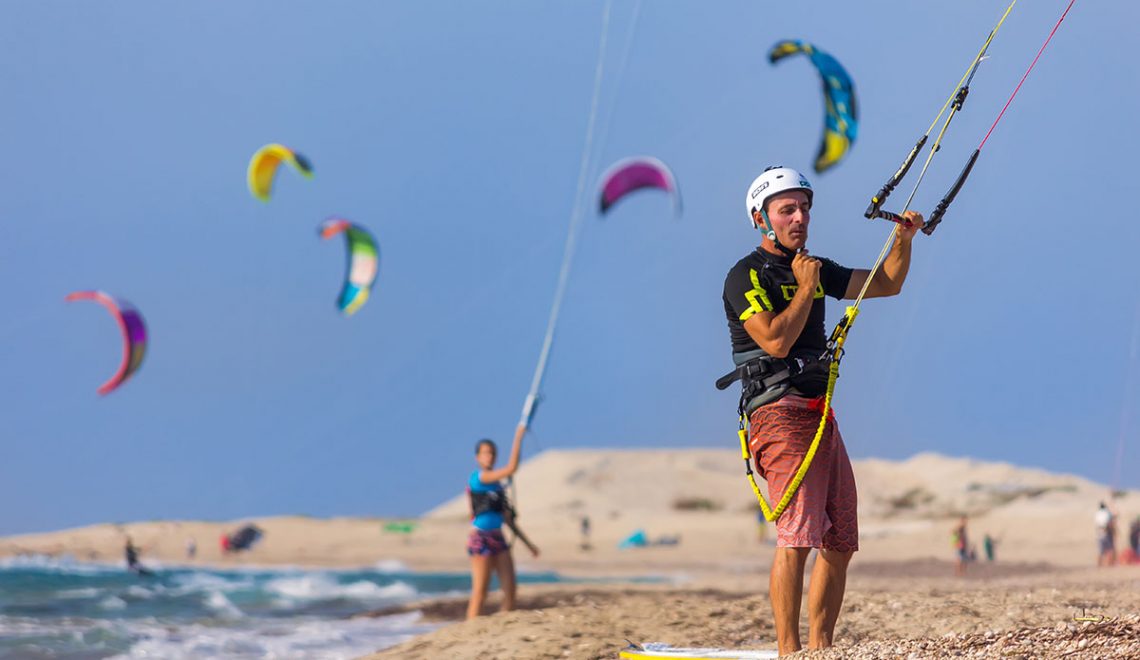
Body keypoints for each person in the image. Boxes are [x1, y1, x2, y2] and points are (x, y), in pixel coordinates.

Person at [720, 166, 921, 655]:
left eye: (805, 207)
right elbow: (774, 338)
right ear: (760, 218)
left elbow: (886, 283)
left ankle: (821, 647)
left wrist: (903, 237)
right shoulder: (745, 274)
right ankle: (790, 650)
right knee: (799, 536)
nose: (800, 217)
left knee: (841, 536)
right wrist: (807, 288)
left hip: (818, 412)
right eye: (787, 209)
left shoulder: (813, 266)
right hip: (776, 413)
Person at [466, 427, 539, 620]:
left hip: (498, 537)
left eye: (492, 453)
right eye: (486, 453)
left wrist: (529, 545)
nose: (489, 457)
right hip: (480, 538)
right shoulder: (478, 478)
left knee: (510, 589)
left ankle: (503, 623)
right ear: (478, 457)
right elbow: (512, 468)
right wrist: (518, 436)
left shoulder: (498, 487)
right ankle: (470, 628)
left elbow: (508, 520)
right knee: (481, 591)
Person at [1095, 501, 1116, 567]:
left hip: (1099, 533)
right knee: (1111, 549)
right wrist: (1113, 531)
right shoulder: (1107, 513)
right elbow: (1110, 523)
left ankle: (1099, 565)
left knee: (1101, 551)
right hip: (1107, 532)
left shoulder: (1097, 514)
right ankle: (1110, 564)